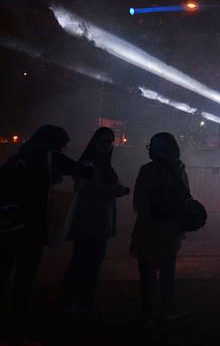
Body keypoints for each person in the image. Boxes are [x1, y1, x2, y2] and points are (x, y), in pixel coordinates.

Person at [0, 125, 93, 343]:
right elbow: (83, 170)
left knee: (3, 273)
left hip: (7, 225)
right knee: (24, 278)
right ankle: (17, 331)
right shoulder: (51, 157)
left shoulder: (18, 158)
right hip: (31, 227)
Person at [61, 127, 130, 315]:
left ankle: (77, 302)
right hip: (91, 219)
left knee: (86, 260)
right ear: (96, 142)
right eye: (104, 141)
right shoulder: (91, 163)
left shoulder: (96, 162)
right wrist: (118, 190)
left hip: (97, 219)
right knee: (87, 261)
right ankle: (79, 303)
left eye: (110, 141)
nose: (108, 145)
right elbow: (92, 188)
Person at [130, 132, 189, 327]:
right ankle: (167, 308)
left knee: (147, 271)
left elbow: (139, 202)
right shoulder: (179, 169)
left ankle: (148, 313)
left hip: (149, 227)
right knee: (167, 269)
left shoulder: (148, 170)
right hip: (171, 227)